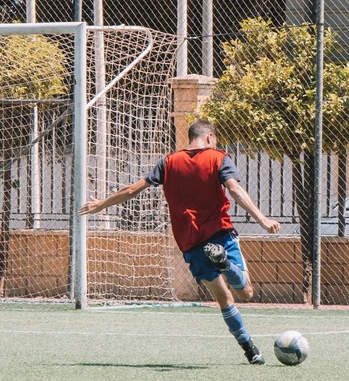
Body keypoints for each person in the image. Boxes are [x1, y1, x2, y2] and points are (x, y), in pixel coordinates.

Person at [79, 118, 280, 364]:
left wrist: (101, 204)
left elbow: (133, 189)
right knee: (246, 291)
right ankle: (226, 265)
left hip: (191, 243)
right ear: (209, 138)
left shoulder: (168, 162)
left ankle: (250, 350)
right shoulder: (218, 157)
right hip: (219, 234)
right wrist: (262, 219)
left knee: (224, 299)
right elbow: (234, 189)